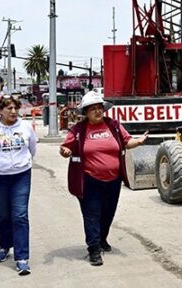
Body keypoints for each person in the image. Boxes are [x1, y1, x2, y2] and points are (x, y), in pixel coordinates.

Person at [59, 91, 147, 267]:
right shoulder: (78, 130)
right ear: (86, 112)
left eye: (100, 108)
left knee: (108, 213)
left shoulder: (113, 125)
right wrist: (65, 151)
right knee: (92, 214)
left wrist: (138, 141)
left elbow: (126, 141)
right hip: (89, 180)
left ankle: (101, 239)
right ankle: (93, 249)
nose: (98, 111)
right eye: (93, 109)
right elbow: (66, 148)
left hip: (113, 180)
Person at [0, 96, 38, 276]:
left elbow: (32, 149)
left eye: (15, 108)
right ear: (0, 111)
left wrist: (21, 164)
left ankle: (22, 258)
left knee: (20, 215)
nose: (13, 111)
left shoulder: (25, 127)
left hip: (21, 176)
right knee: (3, 214)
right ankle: (4, 246)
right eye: (8, 108)